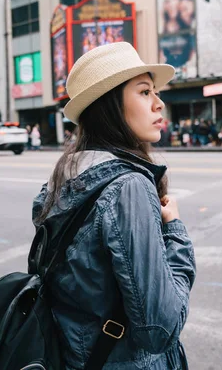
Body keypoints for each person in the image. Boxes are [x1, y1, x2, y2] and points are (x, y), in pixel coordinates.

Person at [32, 42, 196, 369]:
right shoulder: (128, 187)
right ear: (110, 105)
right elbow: (159, 329)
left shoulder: (64, 177)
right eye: (145, 92)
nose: (159, 103)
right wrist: (175, 231)